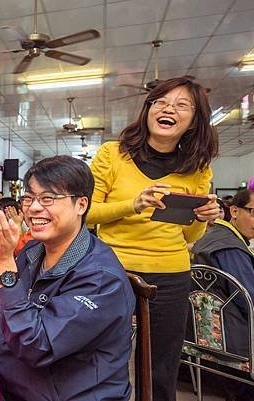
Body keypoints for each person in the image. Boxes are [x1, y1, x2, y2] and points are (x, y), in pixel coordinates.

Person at [87, 76, 221, 401]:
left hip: (171, 272)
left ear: (193, 122)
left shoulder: (198, 169)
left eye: (181, 105)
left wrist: (202, 218)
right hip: (112, 269)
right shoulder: (112, 154)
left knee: (162, 366)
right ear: (147, 110)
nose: (168, 109)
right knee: (102, 356)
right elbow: (85, 211)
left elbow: (190, 234)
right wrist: (133, 204)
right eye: (160, 102)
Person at [0, 156, 135, 401]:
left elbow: (34, 346)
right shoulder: (34, 252)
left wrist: (4, 263)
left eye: (48, 198)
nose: (33, 208)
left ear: (81, 205)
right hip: (11, 380)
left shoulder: (101, 279)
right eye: (29, 197)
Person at [191, 189, 254, 401]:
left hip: (200, 336)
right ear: (234, 211)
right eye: (253, 212)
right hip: (235, 341)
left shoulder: (214, 236)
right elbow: (250, 300)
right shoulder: (230, 248)